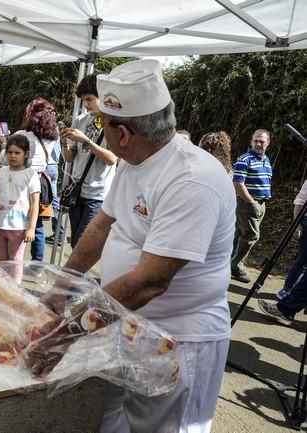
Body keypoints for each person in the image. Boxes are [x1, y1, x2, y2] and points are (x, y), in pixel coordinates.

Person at [46, 59, 235, 433]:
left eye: (102, 124)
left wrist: (67, 330)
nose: (100, 130)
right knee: (113, 422)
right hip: (128, 321)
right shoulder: (137, 162)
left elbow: (150, 282)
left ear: (124, 134)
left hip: (179, 339)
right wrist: (62, 286)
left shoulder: (190, 180)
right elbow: (102, 226)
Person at [60, 75, 117, 248]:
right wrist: (63, 142)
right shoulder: (80, 120)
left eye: (90, 99)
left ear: (103, 97)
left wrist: (85, 140)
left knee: (83, 245)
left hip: (97, 195)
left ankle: (78, 276)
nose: (86, 104)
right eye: (84, 100)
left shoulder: (112, 123)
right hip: (77, 190)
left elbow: (111, 158)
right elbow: (70, 157)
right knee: (75, 244)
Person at [0, 134, 40, 282]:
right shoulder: (2, 171)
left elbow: (35, 203)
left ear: (26, 154)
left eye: (17, 153)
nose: (13, 156)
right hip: (0, 225)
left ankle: (15, 290)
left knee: (15, 260)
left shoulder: (31, 175)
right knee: (1, 259)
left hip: (18, 228)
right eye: (10, 152)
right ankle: (2, 286)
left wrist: (31, 228)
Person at [13, 97, 60, 261]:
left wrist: (5, 143)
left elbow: (7, 159)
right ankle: (37, 262)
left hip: (22, 181)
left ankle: (13, 257)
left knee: (15, 217)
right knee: (37, 223)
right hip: (40, 180)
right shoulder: (53, 137)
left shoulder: (22, 135)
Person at [231, 129, 272, 283]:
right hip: (247, 203)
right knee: (251, 235)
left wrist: (260, 204)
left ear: (268, 143)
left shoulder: (266, 160)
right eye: (256, 140)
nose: (258, 144)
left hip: (261, 203)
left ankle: (230, 264)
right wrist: (252, 202)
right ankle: (235, 266)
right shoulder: (245, 159)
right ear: (251, 141)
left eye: (262, 141)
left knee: (240, 234)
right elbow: (238, 184)